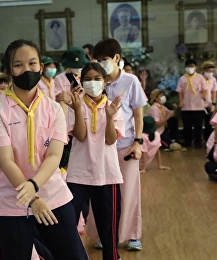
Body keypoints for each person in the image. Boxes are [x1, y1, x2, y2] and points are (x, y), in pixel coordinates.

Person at [0, 39, 88, 260]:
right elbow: (5, 161)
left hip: (52, 196)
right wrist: (31, 197)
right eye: (18, 65)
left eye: (32, 63)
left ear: (41, 67)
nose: (27, 69)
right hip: (12, 201)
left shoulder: (53, 109)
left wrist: (34, 186)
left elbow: (54, 155)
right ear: (8, 71)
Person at [66, 62, 125, 260]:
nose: (93, 83)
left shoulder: (113, 106)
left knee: (109, 229)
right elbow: (80, 136)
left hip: (106, 174)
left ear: (105, 81)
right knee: (68, 225)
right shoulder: (75, 104)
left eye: (97, 79)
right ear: (81, 82)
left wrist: (109, 117)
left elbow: (110, 140)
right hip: (78, 173)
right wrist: (77, 110)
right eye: (88, 79)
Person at [93, 38, 147, 251]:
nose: (101, 64)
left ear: (116, 58)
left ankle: (132, 235)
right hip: (102, 149)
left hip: (126, 147)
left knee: (129, 192)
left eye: (104, 59)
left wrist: (138, 142)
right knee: (103, 195)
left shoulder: (131, 81)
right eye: (97, 60)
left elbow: (138, 115)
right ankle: (104, 234)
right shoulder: (96, 82)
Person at [177, 59, 207, 148]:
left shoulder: (200, 77)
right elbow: (180, 91)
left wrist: (204, 96)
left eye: (192, 66)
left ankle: (198, 142)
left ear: (196, 67)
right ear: (185, 67)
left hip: (198, 106)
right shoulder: (182, 78)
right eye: (188, 66)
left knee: (198, 126)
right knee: (187, 126)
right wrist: (181, 101)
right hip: (186, 106)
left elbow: (204, 89)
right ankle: (187, 141)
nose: (190, 68)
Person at [55, 47, 90, 114]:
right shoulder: (59, 78)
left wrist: (71, 98)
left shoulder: (88, 77)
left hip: (86, 113)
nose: (77, 68)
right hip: (66, 113)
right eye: (74, 66)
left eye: (79, 66)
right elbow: (60, 98)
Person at [201, 61, 217, 141]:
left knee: (209, 123)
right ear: (203, 70)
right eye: (208, 71)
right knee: (199, 123)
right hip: (199, 105)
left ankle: (208, 139)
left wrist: (213, 104)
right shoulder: (199, 79)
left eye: (211, 71)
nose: (210, 73)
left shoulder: (213, 80)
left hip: (209, 104)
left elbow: (213, 92)